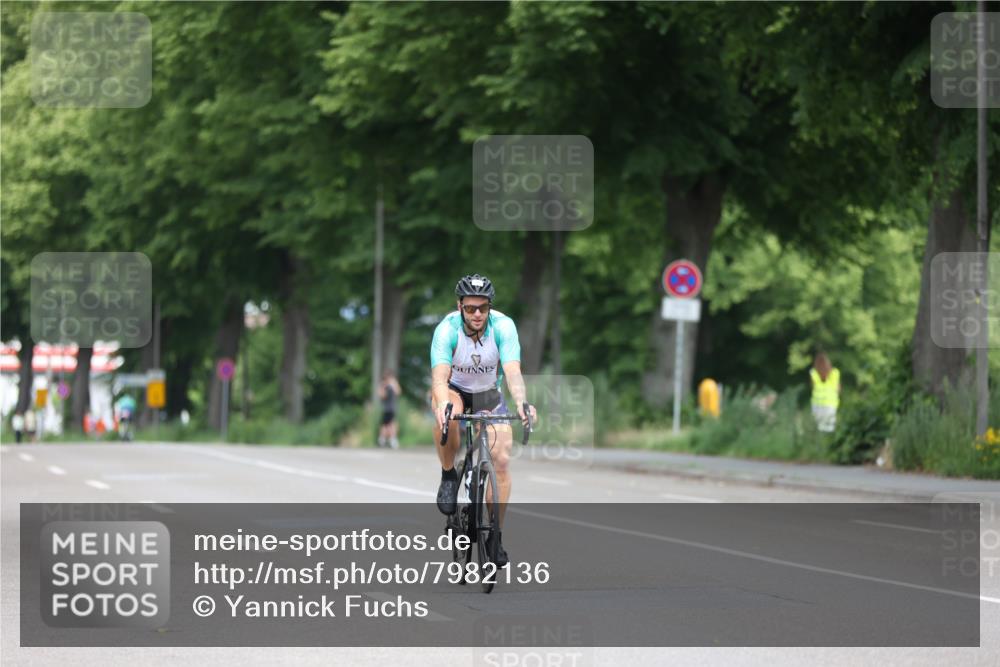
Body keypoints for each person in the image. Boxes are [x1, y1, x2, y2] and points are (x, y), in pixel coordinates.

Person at [430, 273, 536, 568]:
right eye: (470, 308)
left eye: (483, 308)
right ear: (459, 306)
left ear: (490, 308)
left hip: (489, 392)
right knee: (448, 416)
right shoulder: (447, 330)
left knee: (501, 458)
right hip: (455, 390)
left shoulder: (503, 327)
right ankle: (449, 473)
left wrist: (522, 403)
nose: (477, 314)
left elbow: (512, 371)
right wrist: (441, 404)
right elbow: (439, 378)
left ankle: (496, 535)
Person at [809, 351, 840, 433]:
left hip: (817, 403)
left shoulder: (813, 372)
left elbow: (813, 387)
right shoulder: (835, 372)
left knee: (819, 428)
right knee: (829, 429)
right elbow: (837, 389)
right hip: (830, 403)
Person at [377, 370, 401, 449]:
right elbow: (382, 396)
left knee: (392, 424)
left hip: (392, 408)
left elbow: (398, 392)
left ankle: (391, 440)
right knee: (385, 424)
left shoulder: (393, 385)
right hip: (386, 409)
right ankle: (383, 440)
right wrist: (384, 386)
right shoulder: (383, 385)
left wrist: (394, 384)